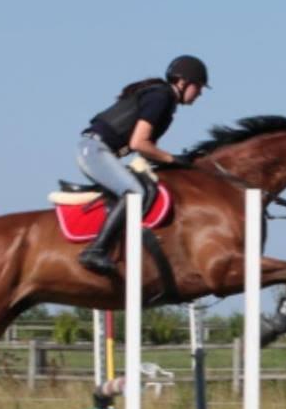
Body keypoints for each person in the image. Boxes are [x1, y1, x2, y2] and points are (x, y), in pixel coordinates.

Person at [75, 55, 209, 275]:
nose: (200, 93)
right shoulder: (161, 97)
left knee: (146, 185)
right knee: (134, 192)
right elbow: (139, 143)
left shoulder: (164, 101)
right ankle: (95, 250)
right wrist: (173, 159)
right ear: (183, 82)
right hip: (94, 150)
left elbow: (147, 150)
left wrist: (176, 162)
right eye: (199, 86)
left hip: (98, 150)